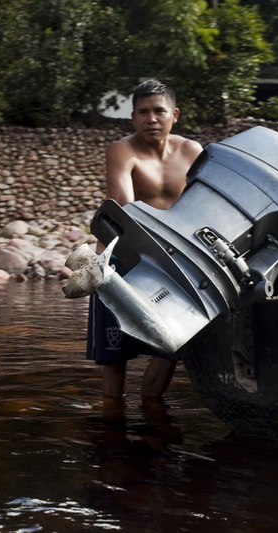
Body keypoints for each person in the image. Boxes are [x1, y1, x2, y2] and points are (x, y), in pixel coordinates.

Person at [87, 79, 203, 399]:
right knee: (115, 355)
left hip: (171, 259)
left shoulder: (192, 151)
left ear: (174, 114)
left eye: (158, 111)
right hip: (121, 259)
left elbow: (203, 205)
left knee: (169, 347)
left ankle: (152, 416)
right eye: (143, 112)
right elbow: (125, 208)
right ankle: (113, 426)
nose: (151, 118)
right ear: (133, 117)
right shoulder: (123, 151)